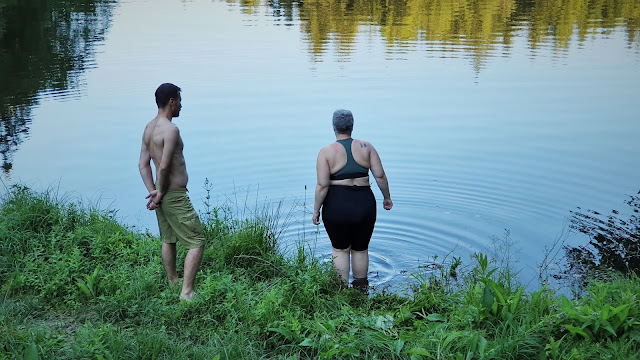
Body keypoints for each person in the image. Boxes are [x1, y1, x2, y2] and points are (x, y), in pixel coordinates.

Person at [312, 109, 392, 290]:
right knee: (361, 249)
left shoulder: (325, 152)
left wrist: (316, 209)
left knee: (340, 250)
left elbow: (322, 186)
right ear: (352, 126)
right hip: (364, 204)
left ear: (334, 127)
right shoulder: (367, 147)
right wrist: (386, 198)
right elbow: (380, 176)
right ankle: (361, 289)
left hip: (336, 206)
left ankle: (341, 292)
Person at [138, 83, 204, 301]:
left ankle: (172, 282)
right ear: (172, 102)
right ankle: (187, 293)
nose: (181, 106)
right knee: (196, 240)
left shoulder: (149, 128)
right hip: (174, 194)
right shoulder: (171, 130)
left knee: (169, 238)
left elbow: (143, 164)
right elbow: (164, 166)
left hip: (161, 193)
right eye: (180, 101)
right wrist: (160, 192)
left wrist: (154, 192)